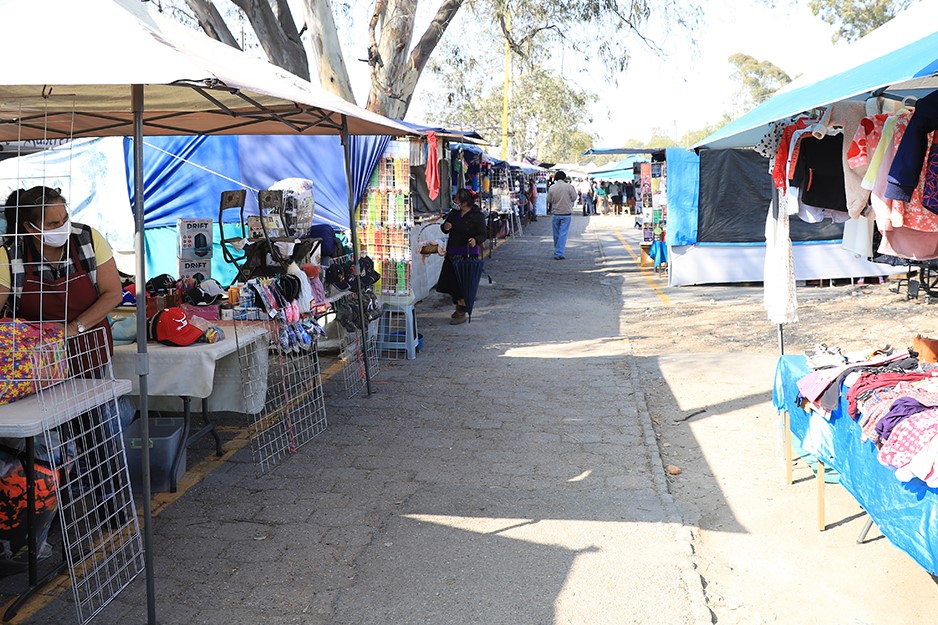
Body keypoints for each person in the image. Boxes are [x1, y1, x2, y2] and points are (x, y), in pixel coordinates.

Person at [0, 186, 123, 362]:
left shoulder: (87, 239)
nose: (62, 228)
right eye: (52, 224)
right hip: (37, 360)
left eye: (65, 220)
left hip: (89, 351)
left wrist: (73, 328)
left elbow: (113, 294)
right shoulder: (10, 256)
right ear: (30, 227)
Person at [435, 188, 487, 325]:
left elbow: (483, 234)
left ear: (465, 202)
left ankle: (461, 310)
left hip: (467, 255)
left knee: (462, 284)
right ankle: (460, 306)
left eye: (457, 200)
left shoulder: (477, 216)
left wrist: (476, 240)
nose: (455, 202)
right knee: (451, 283)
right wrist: (445, 227)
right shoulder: (454, 213)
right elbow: (444, 228)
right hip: (452, 253)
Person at [546, 171, 577, 260]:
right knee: (563, 234)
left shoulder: (552, 187)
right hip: (566, 213)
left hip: (556, 213)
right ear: (564, 178)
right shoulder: (569, 187)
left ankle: (557, 250)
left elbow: (549, 200)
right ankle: (559, 252)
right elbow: (574, 198)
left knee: (556, 234)